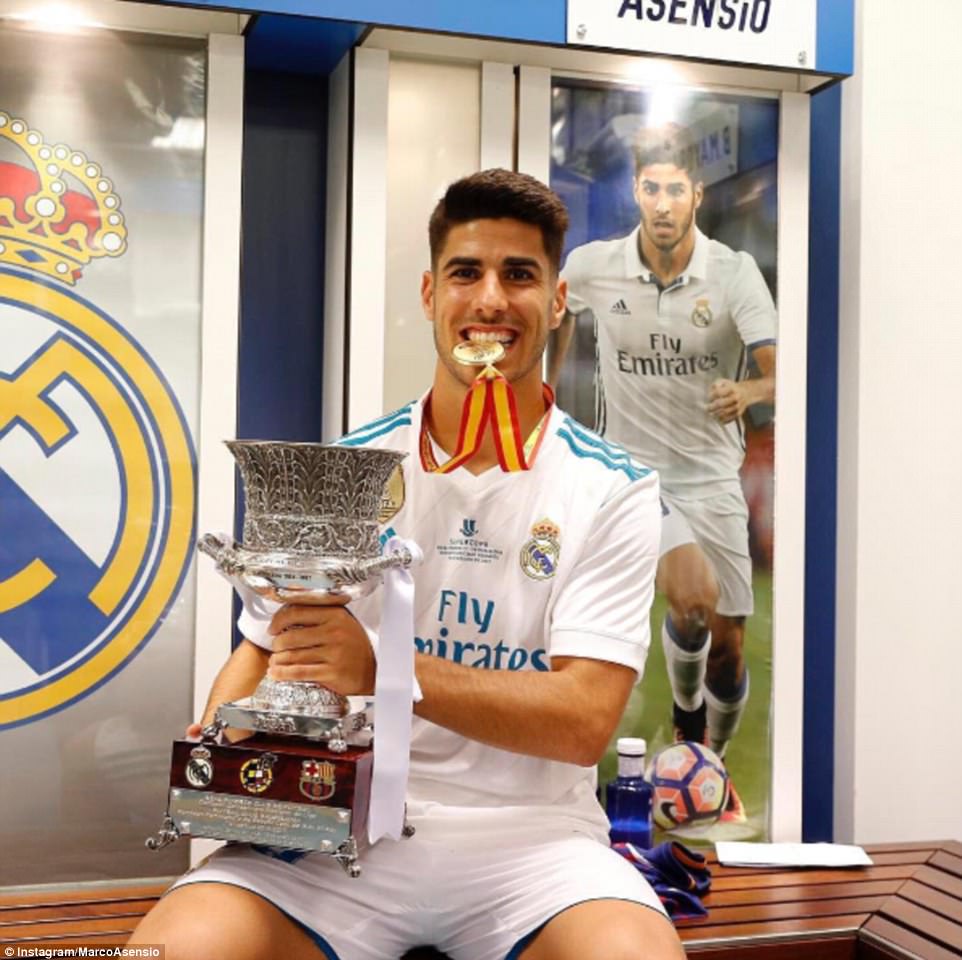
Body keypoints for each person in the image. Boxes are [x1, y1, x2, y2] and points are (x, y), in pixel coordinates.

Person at [130, 169, 684, 960]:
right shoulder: (353, 464)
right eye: (467, 273)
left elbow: (581, 721)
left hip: (535, 846)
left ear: (558, 301)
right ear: (431, 295)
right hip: (338, 830)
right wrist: (229, 749)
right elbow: (261, 649)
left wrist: (389, 669)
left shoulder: (614, 487)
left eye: (519, 275)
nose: (491, 299)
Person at [548, 129, 776, 824]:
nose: (664, 202)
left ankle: (712, 761)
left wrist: (750, 394)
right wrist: (545, 387)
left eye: (677, 188)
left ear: (696, 195)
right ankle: (687, 731)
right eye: (652, 187)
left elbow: (776, 366)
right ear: (637, 193)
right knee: (692, 596)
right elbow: (554, 305)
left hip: (713, 476)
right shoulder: (596, 267)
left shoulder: (733, 272)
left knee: (730, 646)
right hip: (634, 474)